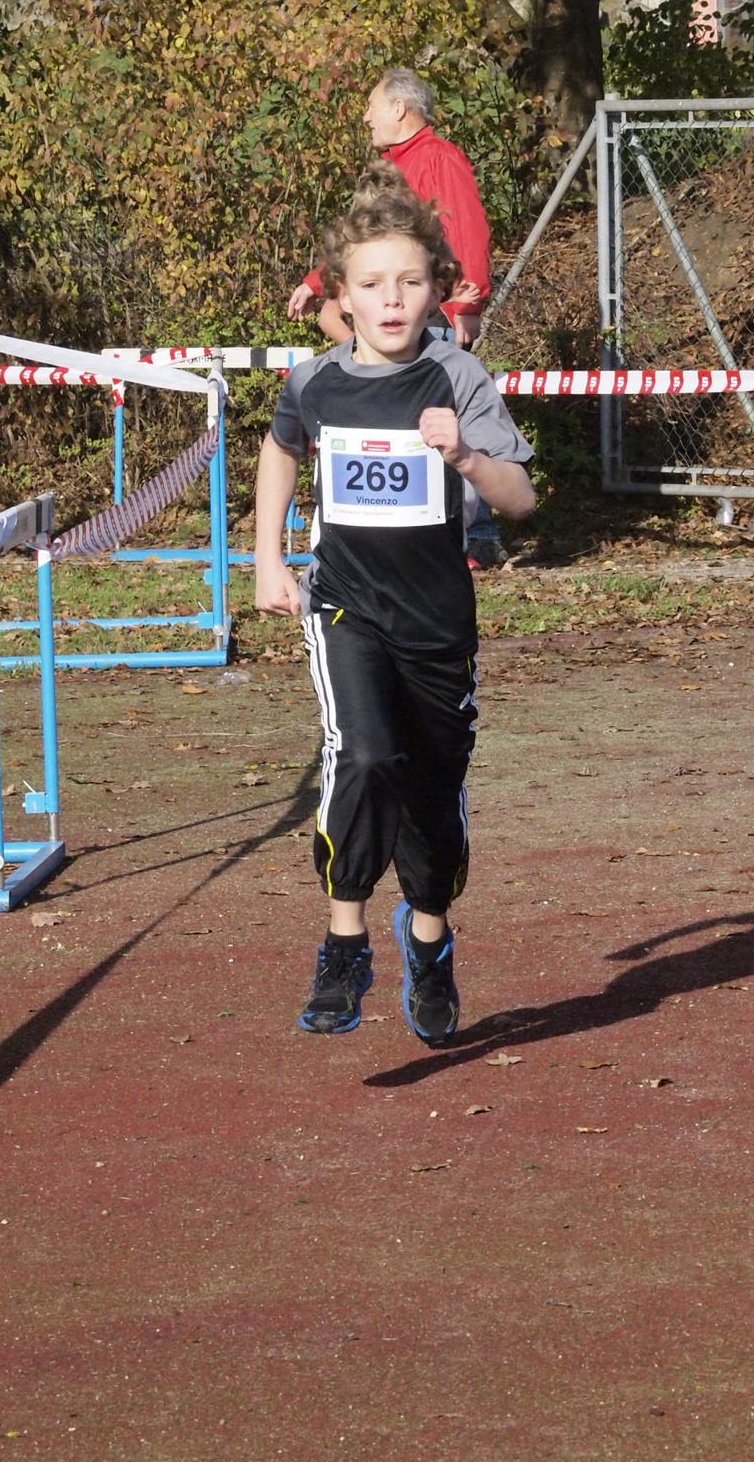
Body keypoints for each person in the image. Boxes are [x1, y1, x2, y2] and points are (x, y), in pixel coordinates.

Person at [255, 164, 536, 1044]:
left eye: (410, 282)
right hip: (345, 605)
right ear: (340, 294)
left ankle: (428, 937)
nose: (391, 300)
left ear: (437, 290)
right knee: (365, 753)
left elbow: (521, 498)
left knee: (431, 786)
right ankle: (344, 945)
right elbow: (280, 449)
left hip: (437, 620)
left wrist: (465, 462)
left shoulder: (458, 377)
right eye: (372, 284)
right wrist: (266, 559)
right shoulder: (315, 383)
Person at [286, 67, 510, 566]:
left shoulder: (439, 157)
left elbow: (467, 230)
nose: (366, 117)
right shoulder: (392, 169)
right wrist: (317, 282)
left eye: (371, 106)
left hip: (434, 314)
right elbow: (369, 245)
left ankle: (476, 534)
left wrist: (467, 305)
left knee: (446, 423)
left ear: (398, 108)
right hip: (411, 310)